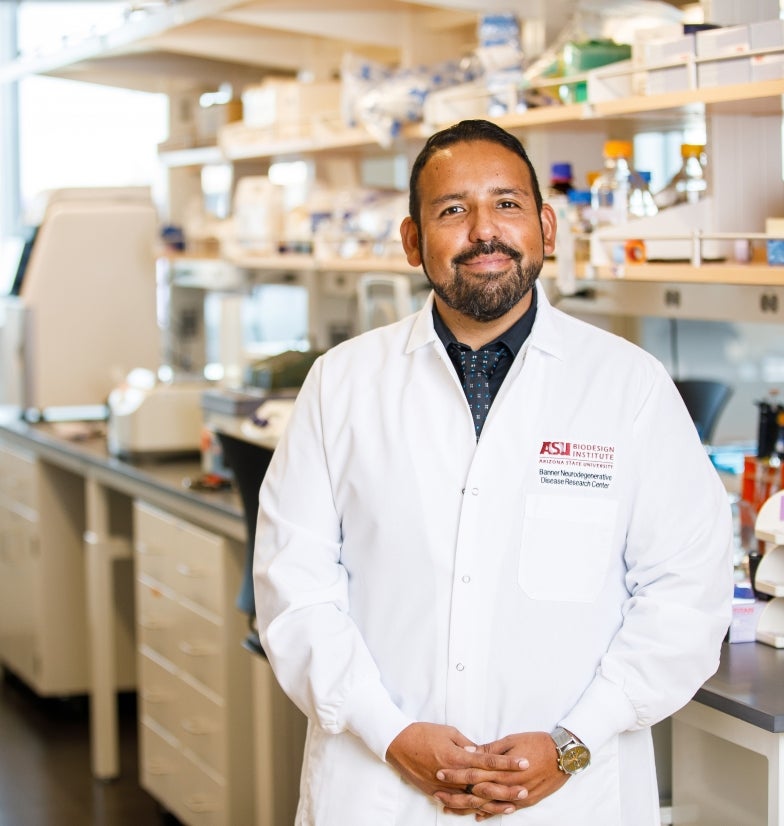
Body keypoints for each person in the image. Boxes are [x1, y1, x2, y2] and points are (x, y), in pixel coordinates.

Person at [253, 118, 732, 825]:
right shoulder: (342, 384)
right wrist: (389, 733)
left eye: (507, 205)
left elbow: (686, 597)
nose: (485, 231)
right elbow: (295, 592)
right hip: (380, 790)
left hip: (570, 796)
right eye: (453, 211)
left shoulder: (628, 387)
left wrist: (572, 742)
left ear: (545, 225)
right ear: (413, 240)